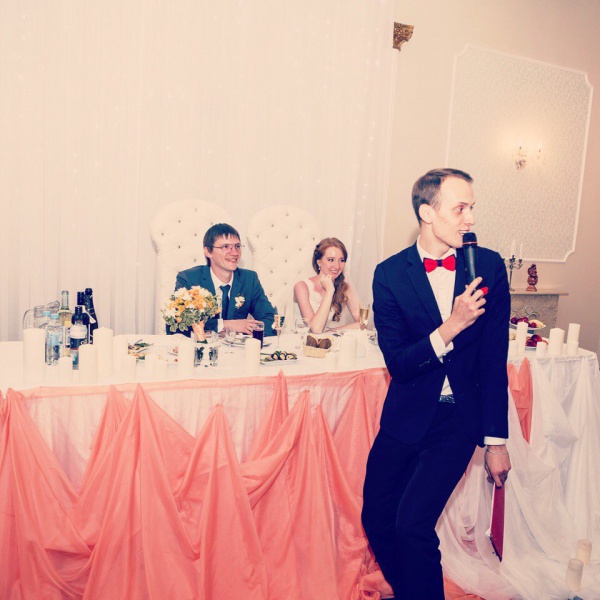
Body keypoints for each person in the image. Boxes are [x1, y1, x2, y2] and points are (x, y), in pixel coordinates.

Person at [361, 168, 511, 599]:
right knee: (377, 516)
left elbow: (493, 359)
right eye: (460, 208)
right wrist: (452, 326)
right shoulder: (390, 273)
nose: (470, 219)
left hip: (458, 421)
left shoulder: (488, 266)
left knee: (412, 524)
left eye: (472, 208)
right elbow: (399, 363)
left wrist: (496, 442)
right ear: (427, 212)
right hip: (406, 415)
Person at [169, 223, 275, 336]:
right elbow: (176, 326)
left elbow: (270, 320)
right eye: (226, 247)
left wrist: (245, 334)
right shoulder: (189, 280)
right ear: (208, 252)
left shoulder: (249, 279)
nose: (235, 253)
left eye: (237, 246)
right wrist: (225, 325)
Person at [293, 237, 361, 333]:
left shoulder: (345, 288)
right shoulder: (301, 287)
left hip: (330, 340)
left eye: (341, 260)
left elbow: (363, 323)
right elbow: (315, 329)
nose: (337, 266)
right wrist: (329, 291)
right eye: (331, 260)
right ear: (319, 262)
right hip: (303, 340)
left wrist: (332, 331)